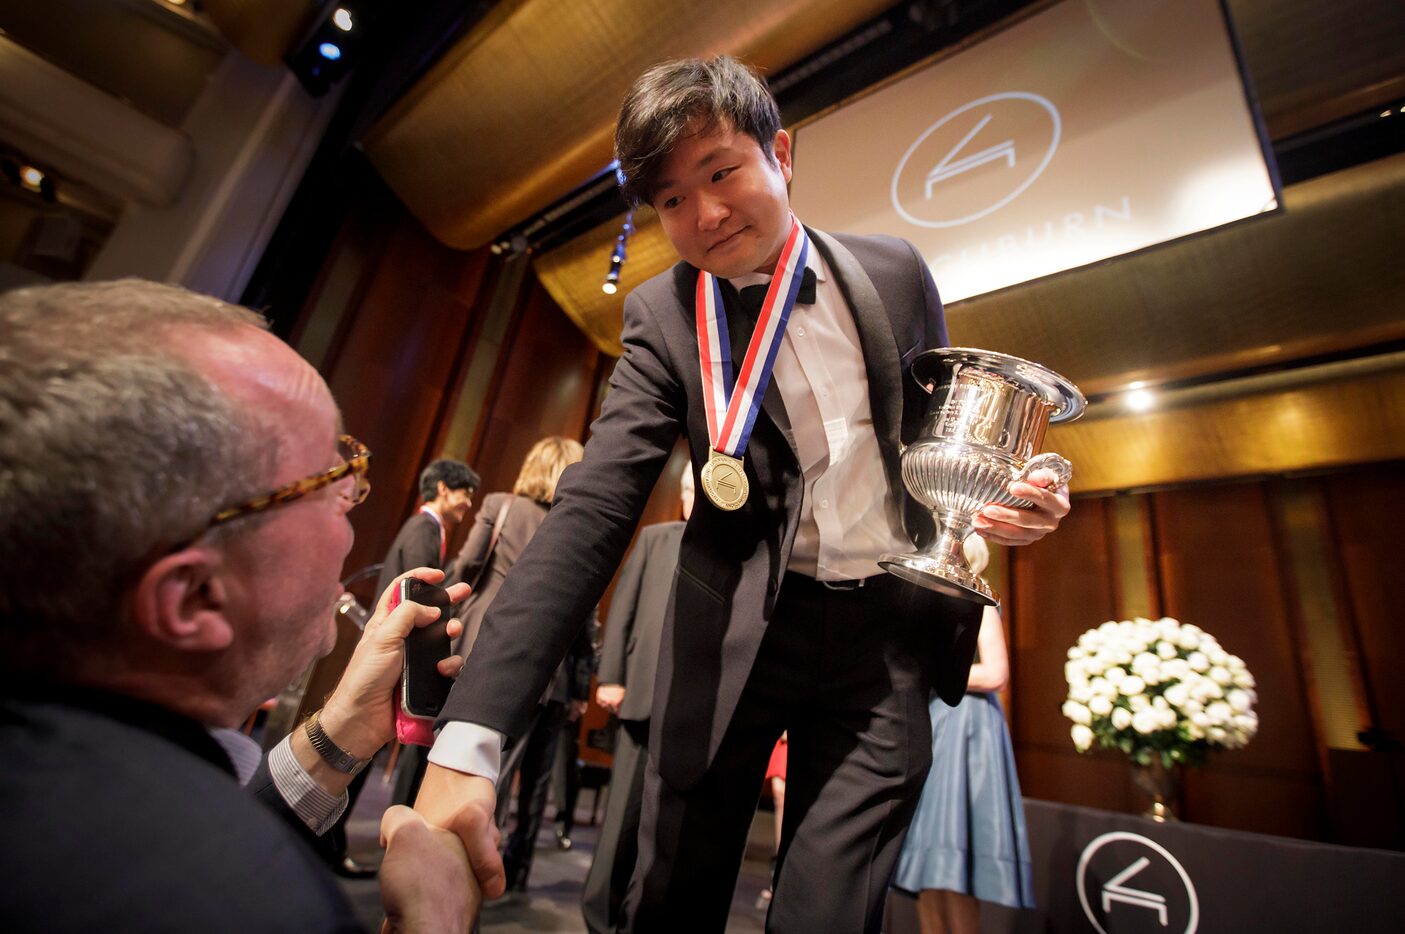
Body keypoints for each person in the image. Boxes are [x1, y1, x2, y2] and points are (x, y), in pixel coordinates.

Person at [413, 56, 1070, 933]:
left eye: (720, 172)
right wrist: (469, 736)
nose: (705, 215)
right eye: (672, 200)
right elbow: (594, 510)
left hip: (886, 644)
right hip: (733, 639)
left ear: (781, 154)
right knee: (673, 899)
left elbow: (943, 442)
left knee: (832, 914)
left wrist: (1021, 485)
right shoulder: (661, 316)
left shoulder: (896, 274)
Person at [0, 279, 475, 933]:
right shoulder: (247, 899)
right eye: (323, 484)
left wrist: (338, 731)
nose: (350, 510)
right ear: (193, 599)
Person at [449, 437, 600, 893]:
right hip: (545, 664)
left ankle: (454, 864)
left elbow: (467, 566)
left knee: (466, 761)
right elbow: (585, 613)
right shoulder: (575, 525)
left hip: (481, 649)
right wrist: (579, 687)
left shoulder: (501, 505)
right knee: (523, 774)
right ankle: (506, 873)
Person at [329, 457, 481, 878]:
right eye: (465, 492)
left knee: (361, 751)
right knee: (358, 752)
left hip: (393, 657)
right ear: (444, 490)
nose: (469, 502)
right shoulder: (425, 529)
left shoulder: (429, 529)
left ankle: (332, 838)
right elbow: (420, 599)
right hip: (396, 659)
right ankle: (329, 839)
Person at [892, 536, 1035, 933]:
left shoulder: (980, 601)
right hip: (936, 719)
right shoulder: (931, 606)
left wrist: (932, 674)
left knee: (954, 861)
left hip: (966, 726)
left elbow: (997, 673)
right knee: (923, 866)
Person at [582, 467, 693, 934]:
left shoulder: (733, 557)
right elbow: (622, 605)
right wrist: (611, 677)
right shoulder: (656, 539)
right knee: (622, 825)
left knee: (672, 834)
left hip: (695, 714)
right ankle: (600, 920)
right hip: (642, 698)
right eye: (687, 487)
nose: (693, 495)